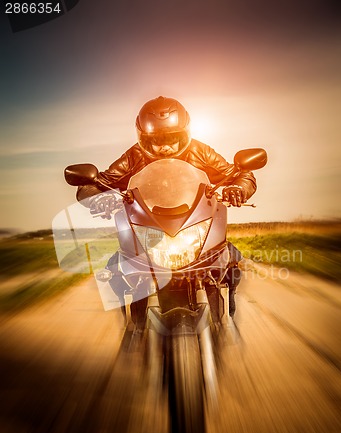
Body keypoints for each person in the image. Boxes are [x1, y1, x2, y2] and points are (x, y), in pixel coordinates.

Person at [77, 96, 257, 317]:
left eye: (172, 138)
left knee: (229, 256)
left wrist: (239, 188)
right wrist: (98, 197)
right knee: (117, 265)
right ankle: (130, 321)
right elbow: (96, 183)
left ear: (184, 134)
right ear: (143, 137)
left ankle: (228, 303)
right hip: (149, 227)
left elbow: (239, 174)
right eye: (156, 140)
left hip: (192, 222)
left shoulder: (200, 151)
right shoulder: (134, 156)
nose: (164, 147)